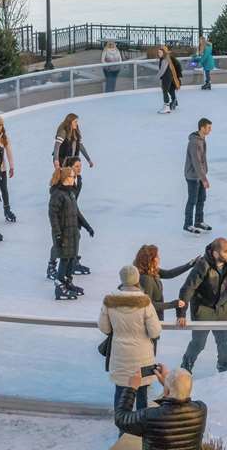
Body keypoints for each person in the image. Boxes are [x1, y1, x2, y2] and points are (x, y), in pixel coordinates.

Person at [177, 238, 227, 373]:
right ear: (215, 253)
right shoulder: (203, 265)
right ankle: (185, 368)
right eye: (226, 251)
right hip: (203, 307)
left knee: (224, 344)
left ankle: (224, 372)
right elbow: (188, 289)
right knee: (199, 343)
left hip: (223, 307)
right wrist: (181, 314)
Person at [98, 265, 161, 414]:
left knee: (120, 392)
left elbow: (104, 328)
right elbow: (155, 331)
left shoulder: (109, 301)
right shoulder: (145, 302)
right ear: (137, 279)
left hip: (120, 355)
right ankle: (140, 430)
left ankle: (121, 425)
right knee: (142, 394)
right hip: (142, 357)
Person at [114, 365, 207, 450]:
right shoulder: (201, 410)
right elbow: (182, 396)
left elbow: (120, 418)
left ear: (166, 391)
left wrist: (131, 388)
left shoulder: (149, 416)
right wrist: (169, 386)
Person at [48, 166, 95, 299]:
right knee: (64, 259)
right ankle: (60, 286)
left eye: (74, 176)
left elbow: (77, 213)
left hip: (72, 232)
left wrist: (87, 226)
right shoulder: (58, 194)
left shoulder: (70, 193)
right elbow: (53, 216)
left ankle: (67, 282)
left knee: (70, 258)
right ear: (65, 178)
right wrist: (57, 234)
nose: (74, 179)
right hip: (63, 233)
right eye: (72, 176)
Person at [133, 245, 197, 323]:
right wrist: (173, 304)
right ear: (150, 260)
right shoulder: (146, 279)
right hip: (149, 322)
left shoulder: (153, 271)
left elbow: (169, 273)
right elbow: (148, 305)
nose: (159, 258)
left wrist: (190, 264)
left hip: (154, 320)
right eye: (157, 256)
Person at [183, 118, 213, 235]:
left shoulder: (201, 139)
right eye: (208, 128)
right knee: (192, 200)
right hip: (193, 175)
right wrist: (204, 179)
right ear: (202, 127)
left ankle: (199, 221)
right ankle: (188, 224)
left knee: (201, 198)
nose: (210, 130)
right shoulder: (195, 142)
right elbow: (196, 162)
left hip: (200, 175)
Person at [156, 45, 182, 113]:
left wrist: (156, 77)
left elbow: (162, 70)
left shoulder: (164, 59)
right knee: (170, 89)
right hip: (171, 77)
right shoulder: (167, 58)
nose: (158, 54)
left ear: (164, 52)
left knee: (165, 91)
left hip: (167, 77)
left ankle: (166, 107)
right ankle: (174, 101)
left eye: (160, 52)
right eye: (158, 52)